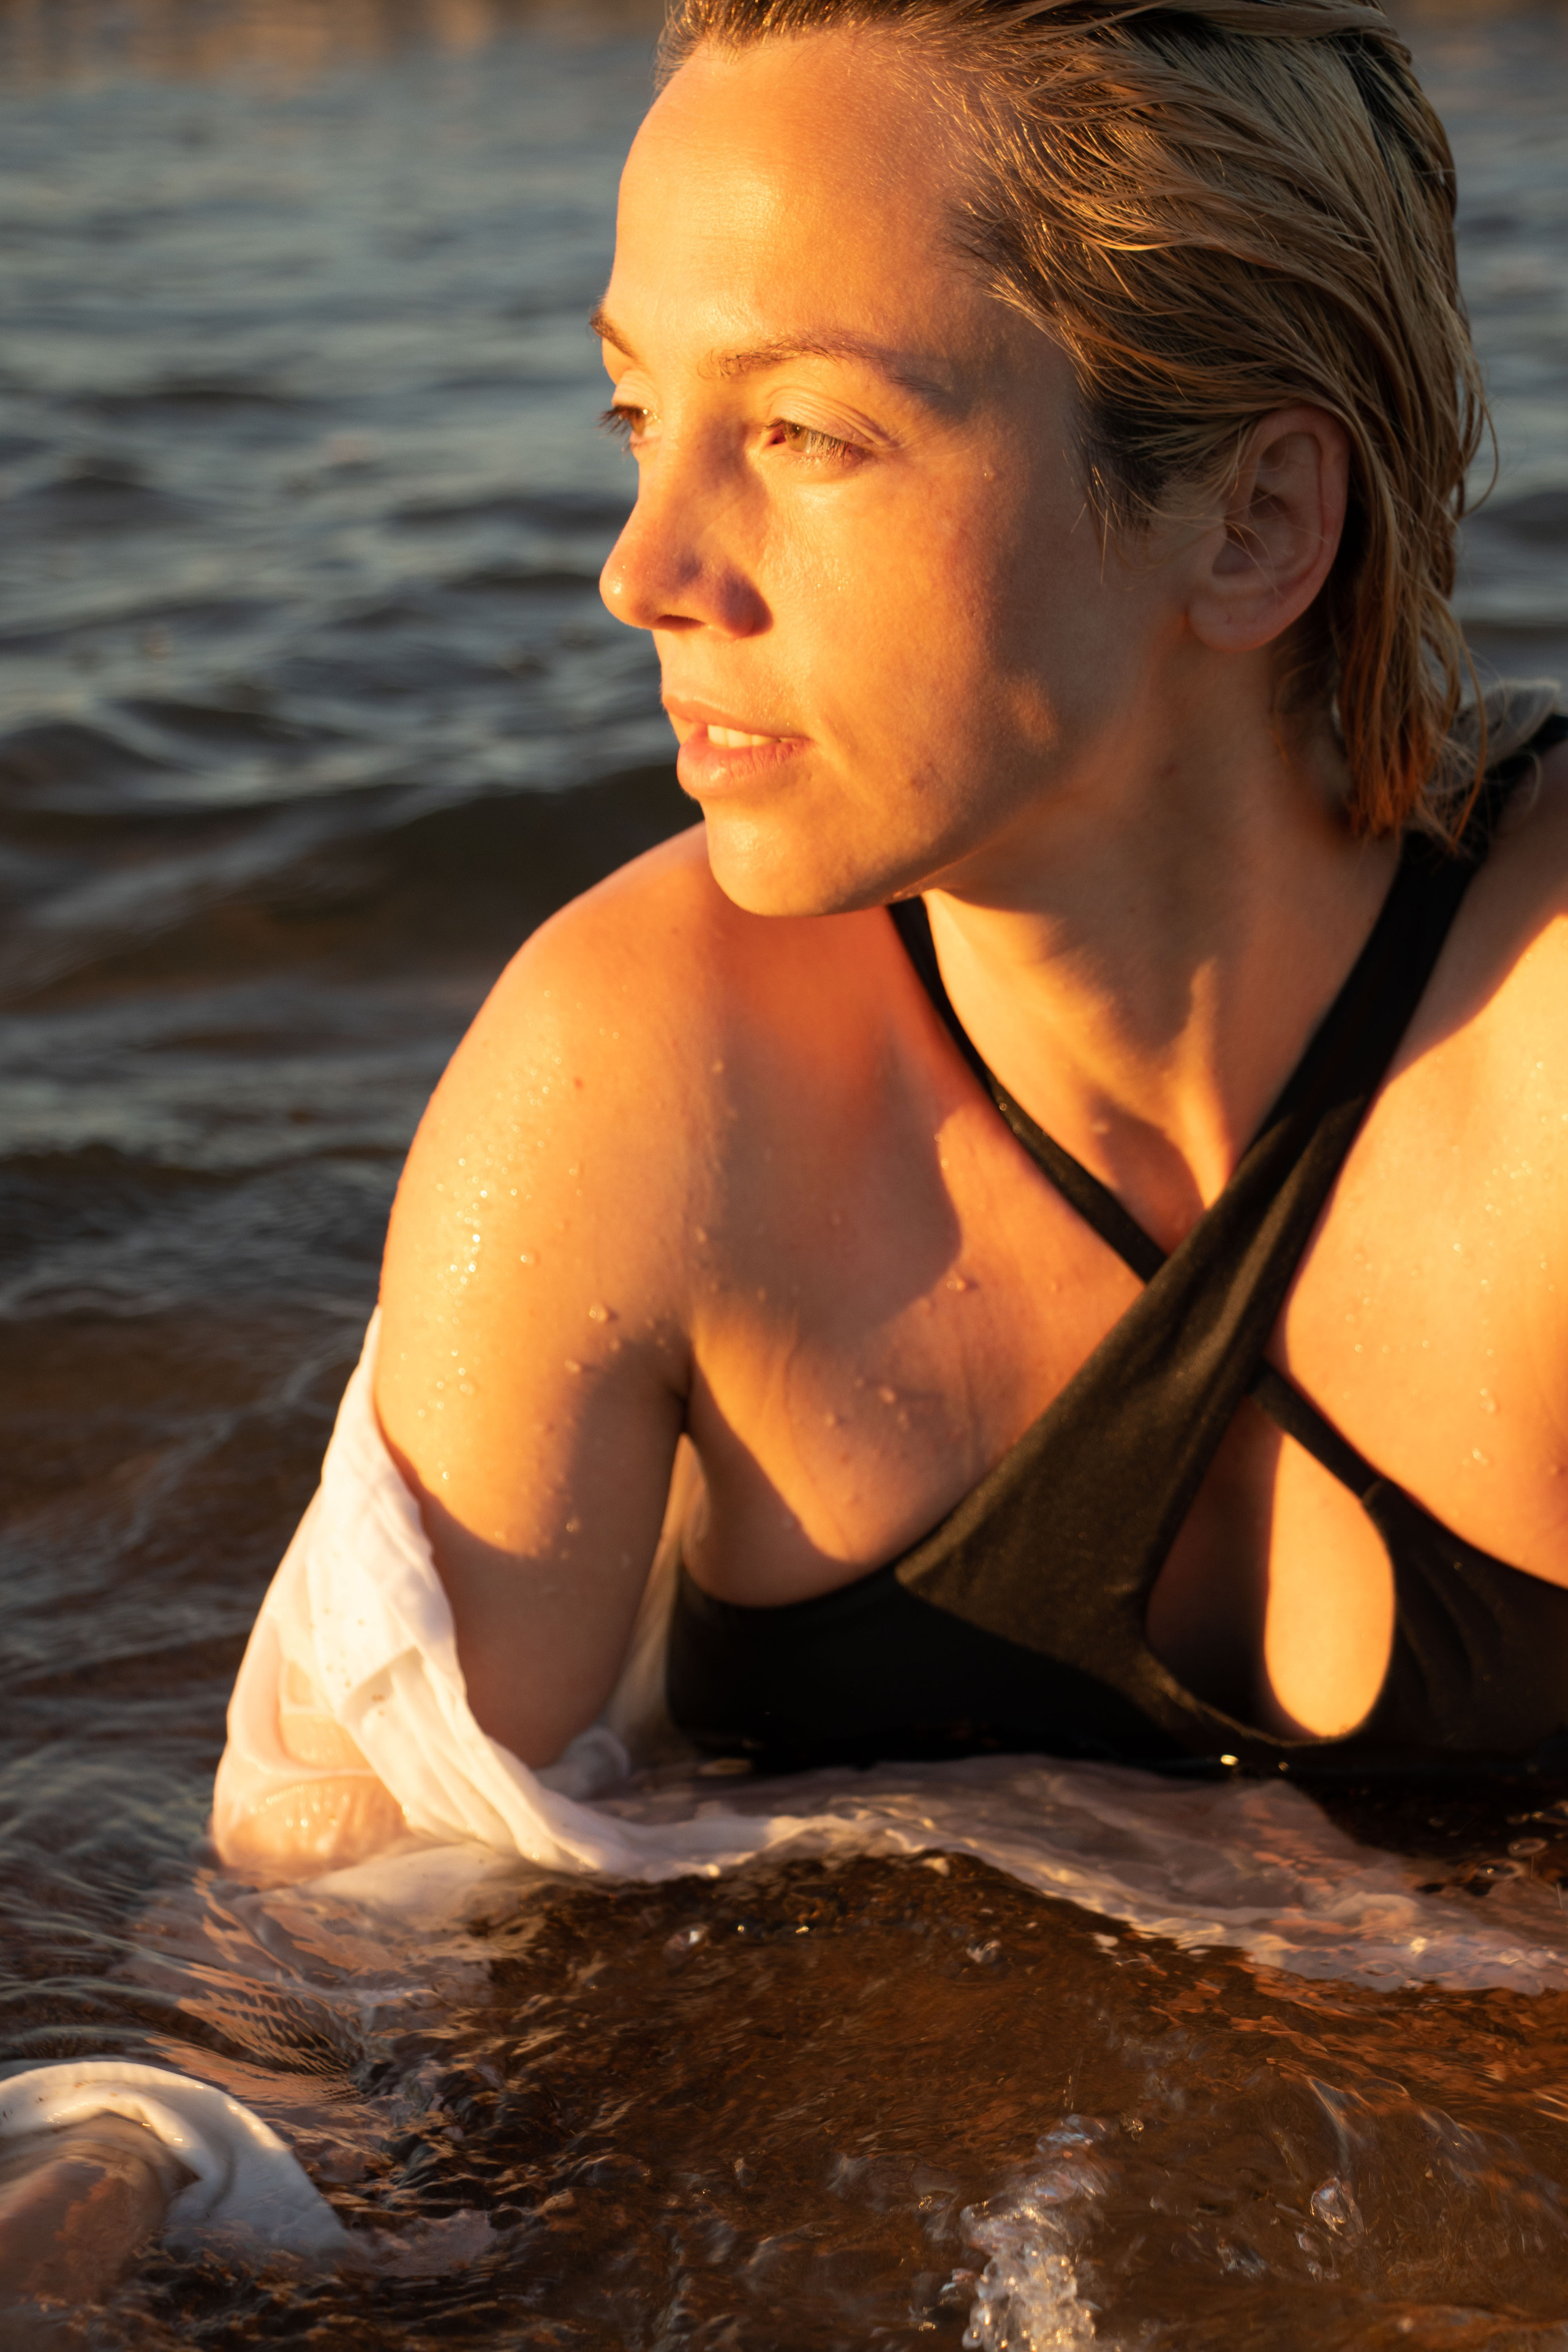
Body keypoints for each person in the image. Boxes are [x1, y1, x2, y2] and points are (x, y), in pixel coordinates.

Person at [220, 0, 1568, 1874]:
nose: (644, 569)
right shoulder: (645, 1072)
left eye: (801, 431)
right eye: (638, 415)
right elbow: (328, 1946)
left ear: (1254, 520)